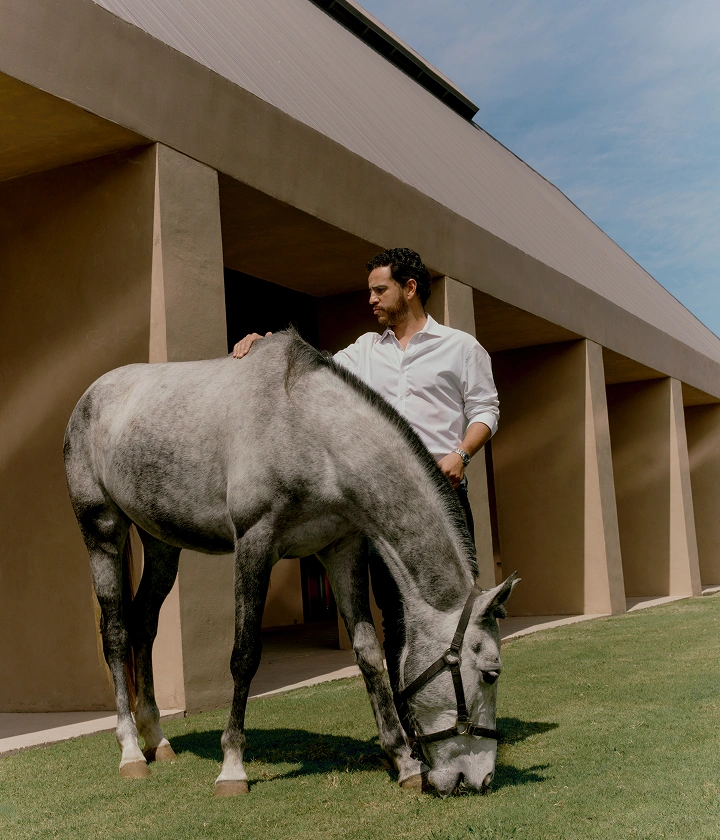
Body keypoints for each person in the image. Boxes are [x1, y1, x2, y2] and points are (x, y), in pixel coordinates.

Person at [232, 248, 499, 701]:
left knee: (457, 608)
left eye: (380, 290)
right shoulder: (363, 351)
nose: (370, 300)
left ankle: (466, 710)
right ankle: (409, 718)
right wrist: (267, 342)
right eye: (370, 292)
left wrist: (461, 454)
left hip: (443, 497)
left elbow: (485, 410)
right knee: (394, 613)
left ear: (409, 289)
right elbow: (315, 366)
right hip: (381, 505)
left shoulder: (460, 347)